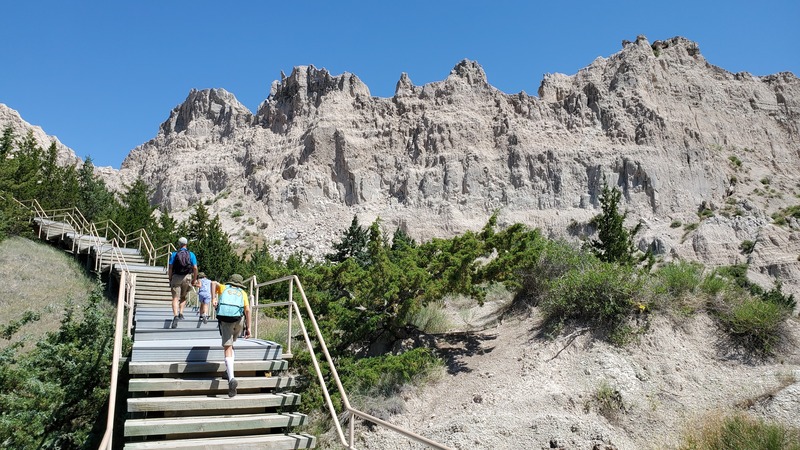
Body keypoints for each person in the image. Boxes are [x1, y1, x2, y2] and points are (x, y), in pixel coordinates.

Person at [212, 273, 252, 398]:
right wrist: (248, 328)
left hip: (226, 320)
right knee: (231, 344)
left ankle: (231, 379)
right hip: (238, 320)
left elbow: (213, 283)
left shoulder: (224, 288)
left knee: (227, 347)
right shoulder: (243, 293)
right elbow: (247, 311)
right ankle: (228, 371)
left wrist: (213, 298)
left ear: (230, 282)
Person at [167, 237, 198, 329]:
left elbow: (171, 267)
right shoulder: (191, 254)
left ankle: (175, 316)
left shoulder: (174, 254)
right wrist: (194, 279)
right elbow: (195, 268)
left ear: (179, 244)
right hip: (187, 277)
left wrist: (170, 278)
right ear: (186, 244)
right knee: (183, 296)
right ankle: (181, 313)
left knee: (175, 298)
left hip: (176, 277)